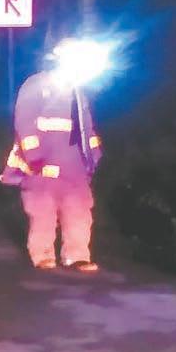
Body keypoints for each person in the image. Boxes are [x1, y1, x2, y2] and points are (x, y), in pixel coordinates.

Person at [10, 39, 105, 272]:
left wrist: (93, 155)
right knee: (42, 210)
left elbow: (87, 128)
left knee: (79, 210)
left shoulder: (77, 91)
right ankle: (42, 254)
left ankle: (77, 255)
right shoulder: (36, 85)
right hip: (44, 163)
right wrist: (34, 155)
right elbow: (24, 121)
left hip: (74, 165)